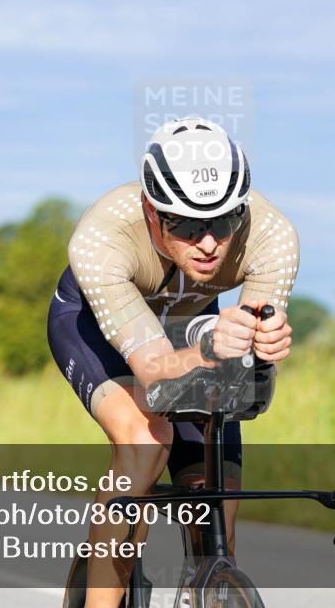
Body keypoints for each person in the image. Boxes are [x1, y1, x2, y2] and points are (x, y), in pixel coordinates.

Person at [47, 117, 298, 607]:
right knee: (146, 439)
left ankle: (206, 586)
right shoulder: (102, 240)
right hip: (98, 326)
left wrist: (264, 346)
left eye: (223, 223)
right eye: (185, 224)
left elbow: (246, 371)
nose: (208, 244)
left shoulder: (273, 236)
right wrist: (209, 347)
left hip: (192, 322)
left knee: (216, 487)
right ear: (150, 209)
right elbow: (154, 369)